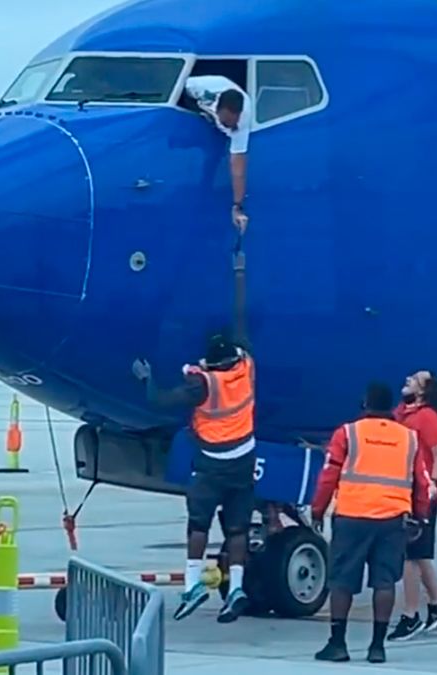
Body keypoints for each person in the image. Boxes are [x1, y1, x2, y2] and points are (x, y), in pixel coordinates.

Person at [131, 240, 255, 624]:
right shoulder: (246, 369)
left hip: (212, 463)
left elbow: (161, 400)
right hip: (244, 461)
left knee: (198, 524)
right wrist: (239, 272)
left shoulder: (203, 386)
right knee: (236, 528)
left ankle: (193, 584)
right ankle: (236, 587)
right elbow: (240, 326)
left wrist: (147, 377)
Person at [310, 383, 434, 664]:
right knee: (384, 582)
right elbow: (422, 483)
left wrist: (318, 510)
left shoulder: (348, 433)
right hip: (392, 520)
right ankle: (377, 646)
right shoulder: (409, 438)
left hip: (352, 517)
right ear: (391, 407)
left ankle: (337, 643)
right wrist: (421, 516)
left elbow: (329, 475)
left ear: (364, 404)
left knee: (342, 581)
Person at [387, 370, 437, 640]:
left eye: (415, 379)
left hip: (421, 490)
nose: (407, 379)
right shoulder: (402, 413)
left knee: (410, 555)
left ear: (424, 390)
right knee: (418, 553)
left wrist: (434, 482)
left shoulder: (427, 417)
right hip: (405, 488)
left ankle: (411, 614)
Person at [183, 74, 252, 234]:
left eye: (234, 123)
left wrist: (238, 206)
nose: (231, 126)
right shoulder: (198, 88)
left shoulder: (241, 123)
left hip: (213, 120)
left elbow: (238, 168)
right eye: (227, 123)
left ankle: (205, 187)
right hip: (196, 104)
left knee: (215, 156)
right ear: (218, 110)